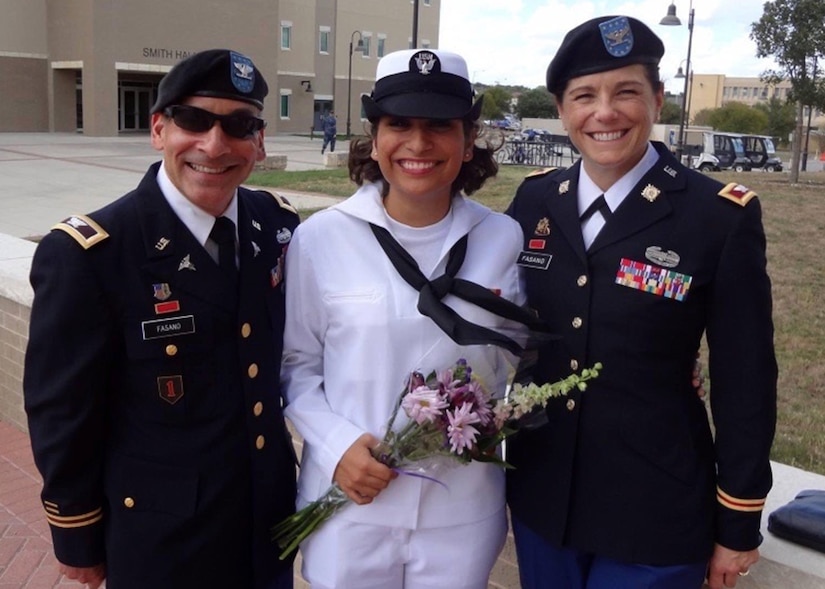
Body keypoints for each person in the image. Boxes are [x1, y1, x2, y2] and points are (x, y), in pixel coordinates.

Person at [504, 15, 777, 589]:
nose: (605, 113)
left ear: (657, 98)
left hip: (655, 509)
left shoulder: (717, 216)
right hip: (544, 498)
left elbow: (745, 378)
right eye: (584, 96)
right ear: (562, 110)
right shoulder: (533, 202)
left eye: (626, 91)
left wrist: (738, 520)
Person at [23, 49, 299, 589]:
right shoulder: (91, 253)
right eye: (194, 120)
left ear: (259, 141)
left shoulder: (274, 224)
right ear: (158, 129)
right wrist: (76, 532)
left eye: (239, 126)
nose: (214, 145)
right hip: (162, 537)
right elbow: (62, 409)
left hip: (266, 521)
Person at [281, 48, 528, 588]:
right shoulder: (321, 238)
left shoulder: (503, 239)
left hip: (461, 510)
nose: (419, 144)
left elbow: (520, 360)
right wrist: (337, 444)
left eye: (440, 125)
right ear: (375, 136)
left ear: (468, 140)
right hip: (348, 501)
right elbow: (297, 366)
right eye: (399, 124)